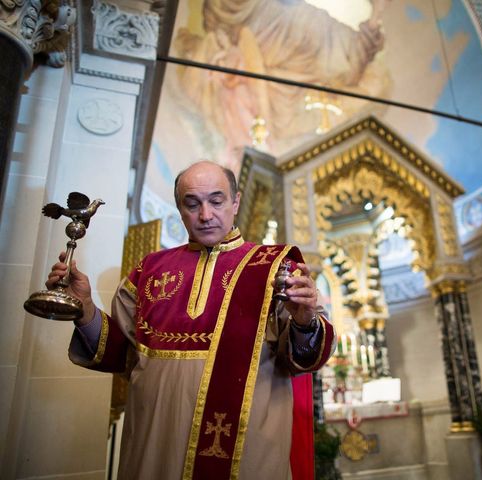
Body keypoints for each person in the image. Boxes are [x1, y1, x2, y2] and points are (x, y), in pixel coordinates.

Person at [46, 161, 335, 479]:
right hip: (153, 448)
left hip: (245, 453)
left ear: (235, 202)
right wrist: (85, 306)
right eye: (192, 203)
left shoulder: (276, 269)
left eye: (217, 200)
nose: (206, 215)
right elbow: (123, 354)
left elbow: (303, 359)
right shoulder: (149, 271)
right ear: (179, 208)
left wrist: (305, 320)